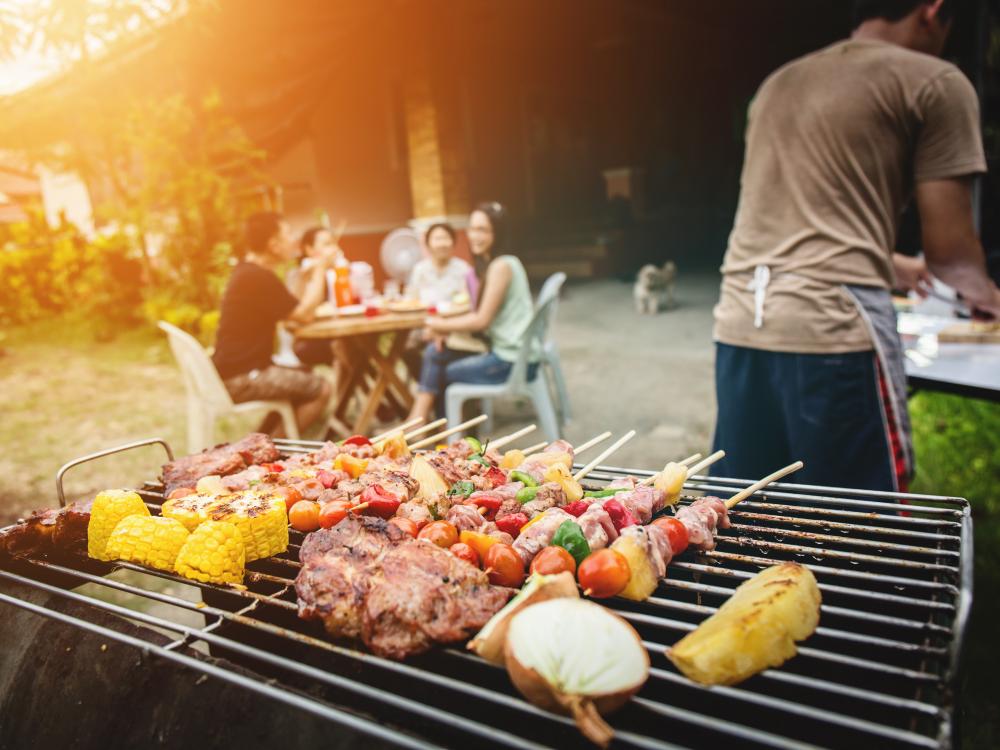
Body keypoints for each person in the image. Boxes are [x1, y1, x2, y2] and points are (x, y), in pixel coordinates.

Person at [711, 0, 1000, 492]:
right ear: (933, 11)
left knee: (745, 517)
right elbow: (954, 258)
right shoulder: (935, 81)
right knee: (859, 527)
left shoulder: (777, 83)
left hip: (740, 327)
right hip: (833, 335)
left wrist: (892, 265)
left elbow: (791, 230)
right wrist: (989, 296)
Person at [407, 202, 538, 421]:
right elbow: (476, 309)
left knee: (443, 371)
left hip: (512, 361)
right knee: (435, 353)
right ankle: (427, 427)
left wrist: (438, 325)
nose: (474, 236)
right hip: (507, 352)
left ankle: (436, 431)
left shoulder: (501, 266)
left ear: (498, 233)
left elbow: (481, 320)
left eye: (483, 230)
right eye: (472, 229)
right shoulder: (493, 265)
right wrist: (443, 326)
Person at [212, 212, 334, 436]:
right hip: (243, 377)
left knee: (302, 377)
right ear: (273, 244)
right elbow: (305, 315)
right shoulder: (257, 277)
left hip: (237, 371)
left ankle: (261, 445)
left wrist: (306, 277)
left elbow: (292, 312)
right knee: (321, 388)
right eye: (288, 234)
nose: (294, 240)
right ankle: (268, 454)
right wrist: (319, 271)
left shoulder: (251, 273)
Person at [405, 222, 473, 306]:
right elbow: (411, 299)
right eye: (437, 239)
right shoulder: (420, 269)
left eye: (446, 238)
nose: (442, 244)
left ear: (453, 242)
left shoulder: (463, 268)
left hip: (455, 316)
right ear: (428, 244)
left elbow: (468, 300)